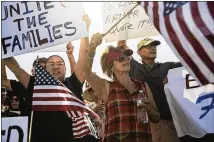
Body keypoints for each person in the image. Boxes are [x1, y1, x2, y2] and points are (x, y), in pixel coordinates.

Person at [3, 15, 99, 142]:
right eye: (51, 64)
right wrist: (3, 46)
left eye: (59, 64)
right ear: (45, 70)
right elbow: (17, 70)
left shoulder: (72, 83)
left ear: (65, 68)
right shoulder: (37, 86)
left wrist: (84, 30)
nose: (55, 67)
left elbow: (83, 54)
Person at [80, 33, 160, 142]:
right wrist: (92, 49)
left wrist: (148, 109)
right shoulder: (106, 87)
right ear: (111, 67)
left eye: (126, 57)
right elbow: (85, 71)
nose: (125, 59)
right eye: (120, 58)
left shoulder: (143, 86)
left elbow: (156, 118)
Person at [118, 39, 182, 142]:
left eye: (154, 46)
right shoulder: (133, 67)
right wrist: (121, 41)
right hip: (141, 124)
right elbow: (122, 50)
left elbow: (191, 66)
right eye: (147, 46)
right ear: (139, 52)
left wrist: (174, 78)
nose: (152, 48)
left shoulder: (167, 67)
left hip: (166, 123)